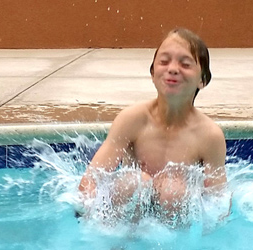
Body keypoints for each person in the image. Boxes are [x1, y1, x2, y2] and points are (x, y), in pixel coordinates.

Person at [78, 28, 228, 225]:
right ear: (152, 73)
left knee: (173, 190)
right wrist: (86, 212)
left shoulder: (209, 136)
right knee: (132, 182)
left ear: (203, 80)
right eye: (164, 62)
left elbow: (218, 202)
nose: (172, 69)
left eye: (185, 64)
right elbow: (92, 179)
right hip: (130, 217)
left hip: (174, 220)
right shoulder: (132, 120)